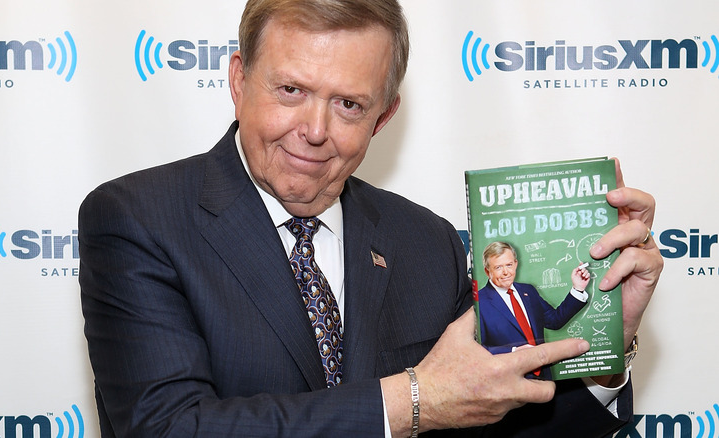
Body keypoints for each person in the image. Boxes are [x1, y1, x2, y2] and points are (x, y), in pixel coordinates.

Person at [78, 0, 664, 436]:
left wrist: (609, 339)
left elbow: (496, 423)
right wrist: (413, 400)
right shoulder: (138, 219)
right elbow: (167, 429)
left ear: (383, 116)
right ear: (237, 80)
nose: (314, 129)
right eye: (289, 90)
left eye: (348, 104)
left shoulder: (425, 242)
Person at [477, 241, 590, 378]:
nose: (506, 272)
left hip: (544, 378)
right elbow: (477, 351)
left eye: (509, 265)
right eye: (498, 267)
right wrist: (513, 351)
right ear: (487, 271)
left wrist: (578, 288)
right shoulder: (479, 302)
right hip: (509, 381)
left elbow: (554, 321)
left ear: (516, 264)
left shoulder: (528, 291)